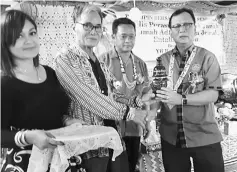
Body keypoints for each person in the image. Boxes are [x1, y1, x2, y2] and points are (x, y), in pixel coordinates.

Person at [54, 4, 154, 172]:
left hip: (112, 139)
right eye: (87, 25)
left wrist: (137, 101)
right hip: (86, 145)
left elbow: (112, 94)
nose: (93, 31)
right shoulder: (65, 59)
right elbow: (89, 97)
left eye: (98, 27)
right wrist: (130, 112)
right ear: (74, 27)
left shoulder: (99, 61)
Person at [155, 8, 224, 172]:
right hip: (171, 137)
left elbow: (214, 94)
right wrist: (149, 107)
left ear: (195, 27)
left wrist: (182, 99)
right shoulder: (162, 60)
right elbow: (158, 93)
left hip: (204, 135)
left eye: (187, 24)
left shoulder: (207, 58)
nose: (182, 29)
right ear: (170, 31)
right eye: (177, 26)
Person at [1, 10, 70, 172]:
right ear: (4, 42)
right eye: (18, 36)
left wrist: (68, 121)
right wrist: (30, 137)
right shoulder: (4, 83)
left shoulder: (50, 72)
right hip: (25, 163)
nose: (29, 41)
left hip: (58, 160)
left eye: (32, 33)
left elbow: (54, 111)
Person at [100, 17, 155, 172]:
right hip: (110, 127)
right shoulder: (103, 61)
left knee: (131, 166)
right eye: (123, 36)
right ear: (113, 37)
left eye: (131, 36)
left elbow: (146, 94)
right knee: (112, 168)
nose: (128, 40)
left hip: (134, 126)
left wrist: (148, 121)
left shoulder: (140, 64)